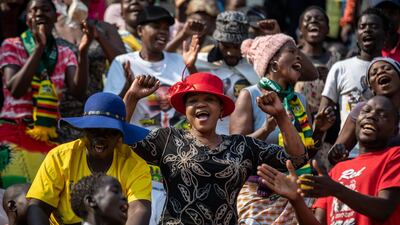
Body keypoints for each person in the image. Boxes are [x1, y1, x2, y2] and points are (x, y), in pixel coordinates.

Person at [123, 72, 309, 225]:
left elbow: (298, 158)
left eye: (209, 99)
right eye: (193, 100)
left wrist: (280, 116)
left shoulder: (242, 146)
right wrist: (132, 97)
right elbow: (118, 136)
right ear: (185, 111)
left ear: (221, 110)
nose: (201, 104)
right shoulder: (168, 139)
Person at [231, 33, 332, 225]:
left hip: (296, 188)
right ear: (274, 62)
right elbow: (236, 151)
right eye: (292, 52)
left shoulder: (298, 100)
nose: (299, 57)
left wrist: (318, 131)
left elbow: (304, 155)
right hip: (258, 191)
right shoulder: (250, 95)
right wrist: (266, 129)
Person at [257, 95, 400, 225]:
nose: (371, 116)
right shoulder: (338, 169)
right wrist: (296, 200)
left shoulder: (395, 156)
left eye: (382, 115)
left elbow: (384, 209)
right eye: (366, 111)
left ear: (395, 130)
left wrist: (335, 189)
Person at [26, 92, 152, 225]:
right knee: (22, 205)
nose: (100, 137)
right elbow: (37, 206)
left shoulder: (135, 165)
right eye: (94, 130)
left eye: (109, 131)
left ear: (120, 136)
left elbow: (139, 209)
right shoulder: (60, 157)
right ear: (83, 131)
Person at [0, 0, 90, 188]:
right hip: (13, 131)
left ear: (55, 17)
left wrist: (82, 53)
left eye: (46, 9)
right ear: (27, 18)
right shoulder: (11, 45)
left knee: (43, 196)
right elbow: (15, 89)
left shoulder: (65, 51)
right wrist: (38, 49)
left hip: (48, 136)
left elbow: (79, 92)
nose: (39, 13)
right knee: (17, 196)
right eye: (34, 10)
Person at [319, 8, 389, 158]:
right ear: (356, 35)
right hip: (348, 153)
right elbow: (323, 114)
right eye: (362, 27)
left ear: (385, 35)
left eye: (374, 26)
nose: (367, 30)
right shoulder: (340, 68)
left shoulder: (393, 70)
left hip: (385, 154)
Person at [328, 57, 400, 165]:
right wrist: (337, 153)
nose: (380, 72)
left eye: (387, 68)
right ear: (371, 88)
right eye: (374, 73)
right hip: (365, 169)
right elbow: (334, 155)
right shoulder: (362, 109)